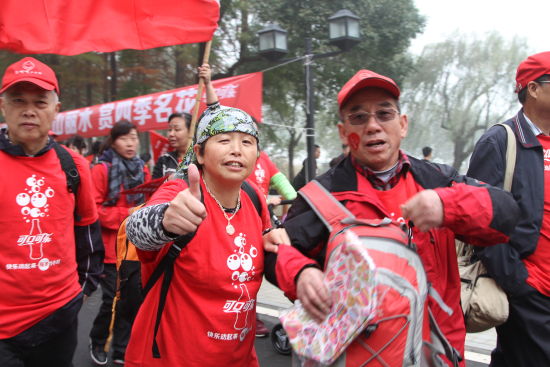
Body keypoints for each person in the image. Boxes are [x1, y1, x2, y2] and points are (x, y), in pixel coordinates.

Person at [263, 69, 520, 366]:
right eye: (358, 117)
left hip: (435, 354)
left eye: (384, 114)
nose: (373, 126)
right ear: (344, 133)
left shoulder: (439, 181)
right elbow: (275, 252)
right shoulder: (319, 196)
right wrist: (301, 273)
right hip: (353, 356)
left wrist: (448, 205)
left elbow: (505, 216)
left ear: (403, 125)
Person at [123, 63, 274, 366]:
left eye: (247, 142)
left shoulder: (255, 197)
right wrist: (165, 221)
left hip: (239, 358)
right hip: (172, 357)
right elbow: (135, 229)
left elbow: (271, 248)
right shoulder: (182, 192)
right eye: (224, 140)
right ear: (201, 154)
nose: (237, 150)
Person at [0, 57, 104, 367]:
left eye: (40, 102)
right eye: (18, 100)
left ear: (56, 110)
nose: (29, 110)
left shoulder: (74, 166)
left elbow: (89, 237)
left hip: (57, 316)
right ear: (4, 106)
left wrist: (79, 296)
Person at [467, 51, 550, 367]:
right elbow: (479, 221)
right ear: (533, 88)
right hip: (530, 291)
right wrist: (519, 283)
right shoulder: (501, 141)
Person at [89, 120, 151, 366]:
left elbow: (147, 203)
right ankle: (97, 340)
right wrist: (126, 215)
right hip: (108, 248)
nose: (130, 143)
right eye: (125, 138)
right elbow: (93, 210)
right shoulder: (101, 169)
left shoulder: (142, 168)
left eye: (134, 138)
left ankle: (121, 348)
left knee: (130, 299)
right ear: (114, 141)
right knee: (109, 301)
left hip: (136, 248)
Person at [246, 150, 297, 337]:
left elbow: (285, 186)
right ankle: (248, 316)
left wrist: (292, 200)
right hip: (241, 219)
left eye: (248, 140)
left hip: (264, 223)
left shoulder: (264, 158)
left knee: (258, 268)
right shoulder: (240, 157)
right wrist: (267, 199)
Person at [152, 112, 192, 179]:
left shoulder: (201, 157)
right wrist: (168, 180)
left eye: (177, 129)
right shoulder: (164, 159)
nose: (171, 134)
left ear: (191, 131)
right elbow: (154, 186)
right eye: (170, 130)